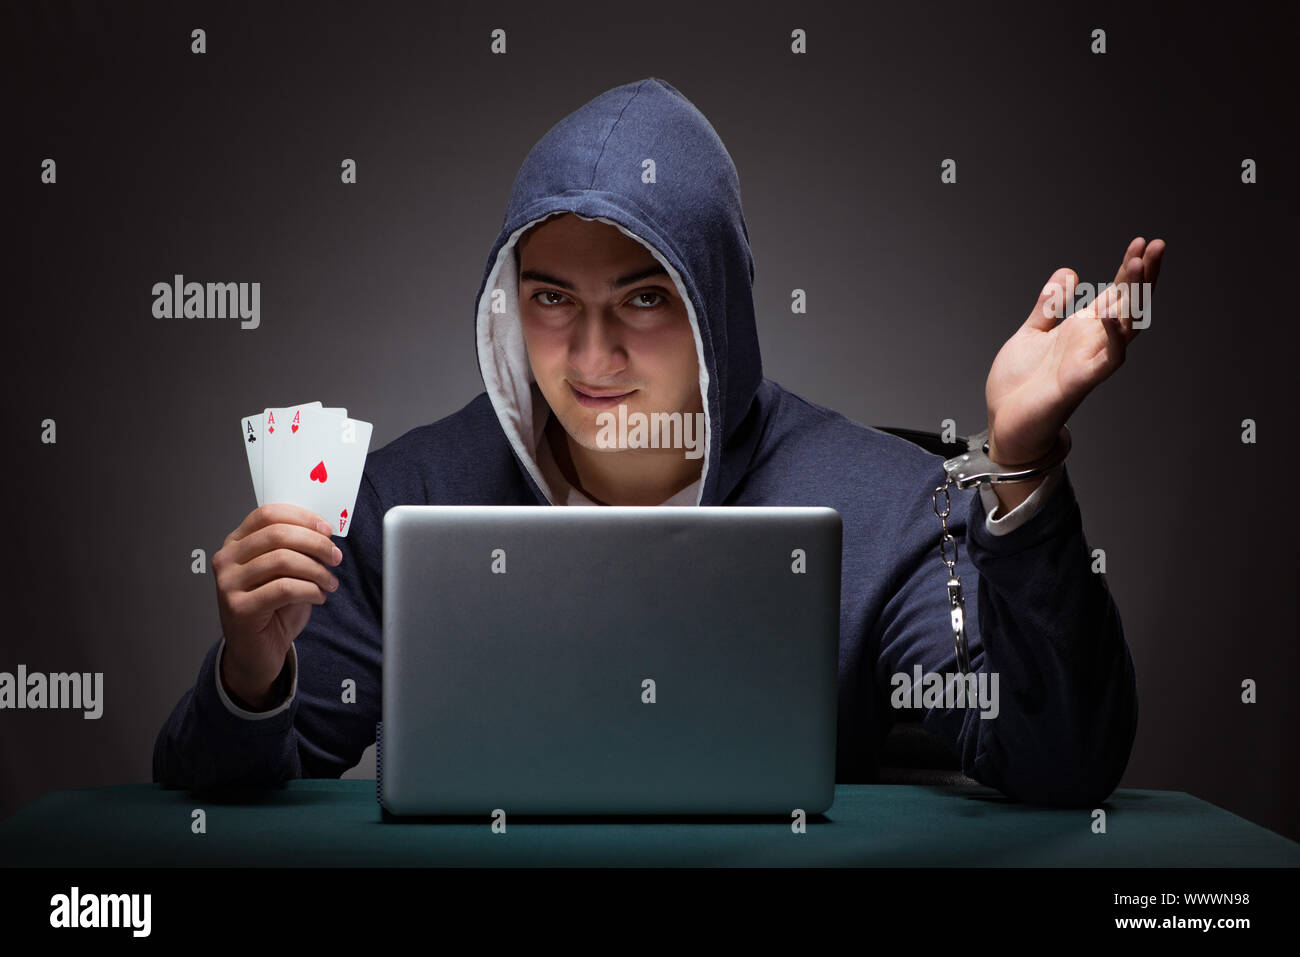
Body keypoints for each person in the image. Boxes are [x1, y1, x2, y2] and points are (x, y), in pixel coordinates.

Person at [154, 77, 1160, 806]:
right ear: (507, 303)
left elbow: (1055, 762)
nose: (592, 355)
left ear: (716, 306)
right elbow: (228, 796)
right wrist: (251, 673)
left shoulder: (887, 505)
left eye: (644, 297)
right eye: (551, 299)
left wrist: (1018, 464)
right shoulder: (406, 497)